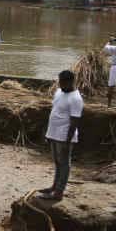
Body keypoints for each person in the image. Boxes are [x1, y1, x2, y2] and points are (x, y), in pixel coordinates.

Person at [40, 70, 83, 201]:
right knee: (58, 163)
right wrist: (48, 133)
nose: (60, 84)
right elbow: (55, 112)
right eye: (60, 81)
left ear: (70, 82)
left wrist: (67, 141)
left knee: (64, 163)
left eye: (63, 82)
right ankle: (54, 186)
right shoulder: (59, 92)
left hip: (64, 137)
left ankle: (59, 192)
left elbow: (74, 122)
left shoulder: (76, 99)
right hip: (54, 134)